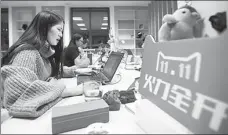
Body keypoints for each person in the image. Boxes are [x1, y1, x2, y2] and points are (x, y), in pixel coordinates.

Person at [1, 10, 83, 118]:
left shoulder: (43, 53)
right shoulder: (27, 53)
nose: (61, 35)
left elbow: (47, 73)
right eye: (59, 29)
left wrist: (75, 71)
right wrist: (68, 91)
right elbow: (18, 91)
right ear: (44, 28)